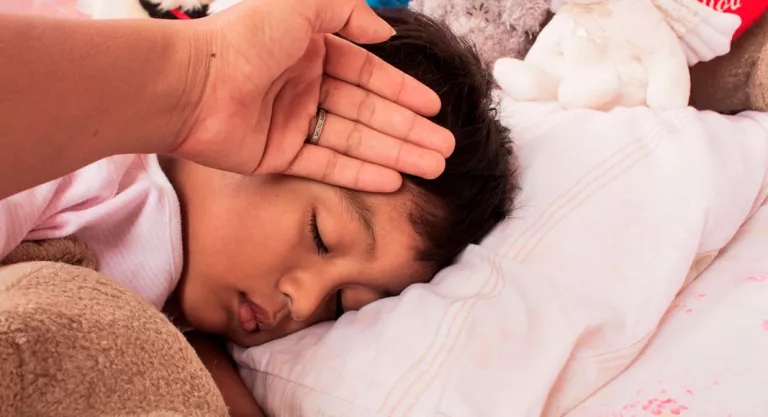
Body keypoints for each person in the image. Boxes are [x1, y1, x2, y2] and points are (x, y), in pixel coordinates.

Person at [0, 2, 515, 416]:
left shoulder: (189, 302)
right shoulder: (93, 160)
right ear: (273, 100)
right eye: (321, 235)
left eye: (343, 304)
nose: (306, 301)